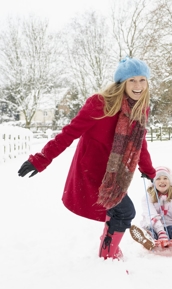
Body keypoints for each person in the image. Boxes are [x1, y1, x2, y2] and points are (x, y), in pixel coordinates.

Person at [17, 56, 156, 260]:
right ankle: (107, 253)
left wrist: (148, 169)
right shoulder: (100, 104)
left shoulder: (139, 109)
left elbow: (139, 143)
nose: (138, 86)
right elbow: (69, 133)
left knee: (119, 212)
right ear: (122, 83)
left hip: (114, 173)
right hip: (92, 170)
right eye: (132, 80)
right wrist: (40, 159)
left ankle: (107, 247)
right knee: (125, 211)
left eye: (142, 80)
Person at [129, 166, 172, 250]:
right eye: (158, 179)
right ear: (153, 182)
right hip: (152, 225)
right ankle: (146, 238)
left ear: (170, 181)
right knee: (151, 231)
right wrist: (161, 232)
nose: (162, 181)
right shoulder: (147, 197)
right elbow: (152, 216)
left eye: (165, 178)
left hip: (169, 226)